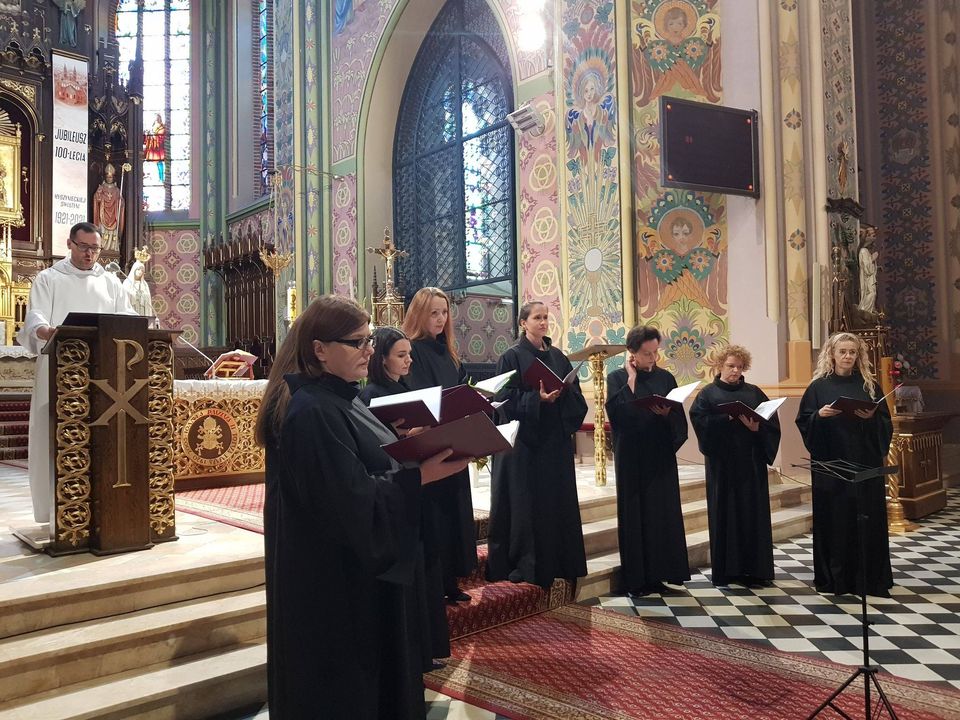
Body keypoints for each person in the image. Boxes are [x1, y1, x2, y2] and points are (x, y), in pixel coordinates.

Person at [254, 295, 468, 719]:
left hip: (355, 583)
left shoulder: (337, 397)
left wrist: (395, 439)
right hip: (336, 592)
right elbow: (348, 502)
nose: (369, 350)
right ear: (320, 349)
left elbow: (360, 461)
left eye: (369, 340)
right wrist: (420, 476)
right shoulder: (311, 410)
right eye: (358, 342)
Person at [17, 222, 134, 524]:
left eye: (95, 248)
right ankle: (56, 510)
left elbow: (128, 317)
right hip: (60, 367)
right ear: (70, 244)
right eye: (83, 247)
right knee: (55, 435)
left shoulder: (110, 282)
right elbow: (36, 316)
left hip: (104, 375)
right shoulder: (49, 278)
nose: (89, 254)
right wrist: (43, 330)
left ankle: (102, 508)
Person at [358, 325, 451, 667]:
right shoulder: (371, 396)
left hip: (414, 484)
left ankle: (426, 649)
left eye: (409, 354)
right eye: (401, 355)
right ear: (381, 359)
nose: (409, 360)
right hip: (396, 489)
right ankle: (414, 653)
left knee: (424, 566)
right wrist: (403, 435)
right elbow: (371, 450)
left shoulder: (405, 388)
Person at [485, 301, 588, 589]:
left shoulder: (559, 356)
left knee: (555, 502)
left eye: (546, 317)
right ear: (523, 323)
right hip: (525, 445)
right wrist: (536, 399)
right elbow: (501, 400)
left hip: (554, 442)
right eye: (537, 318)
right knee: (526, 503)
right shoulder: (511, 357)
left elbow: (575, 395)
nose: (543, 322)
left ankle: (558, 561)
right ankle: (525, 563)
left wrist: (562, 393)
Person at [796, 332, 894, 597]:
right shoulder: (818, 387)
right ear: (832, 354)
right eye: (843, 351)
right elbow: (804, 421)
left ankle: (868, 578)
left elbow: (885, 423)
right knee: (836, 518)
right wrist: (819, 415)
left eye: (852, 352)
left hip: (864, 461)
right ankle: (835, 578)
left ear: (858, 355)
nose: (848, 356)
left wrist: (872, 418)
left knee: (866, 517)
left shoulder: (869, 386)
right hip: (832, 464)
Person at [402, 288, 477, 603]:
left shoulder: (449, 352)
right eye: (433, 313)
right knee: (434, 514)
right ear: (419, 314)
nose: (440, 318)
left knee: (453, 512)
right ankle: (434, 582)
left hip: (453, 436)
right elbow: (418, 394)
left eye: (444, 312)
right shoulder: (413, 351)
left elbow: (462, 386)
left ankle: (450, 580)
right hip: (431, 441)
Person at [605, 325, 690, 595]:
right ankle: (637, 580)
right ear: (632, 352)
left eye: (655, 352)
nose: (652, 358)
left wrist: (667, 414)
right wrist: (631, 381)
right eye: (646, 353)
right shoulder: (617, 378)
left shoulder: (666, 378)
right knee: (635, 514)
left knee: (661, 513)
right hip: (632, 456)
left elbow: (679, 419)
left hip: (660, 455)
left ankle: (661, 573)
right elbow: (617, 416)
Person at [690, 344, 780, 588]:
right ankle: (727, 572)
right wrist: (726, 417)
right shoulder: (708, 394)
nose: (735, 371)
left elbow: (771, 423)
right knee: (725, 514)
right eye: (731, 366)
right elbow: (700, 422)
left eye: (740, 367)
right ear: (719, 366)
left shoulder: (754, 393)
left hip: (751, 464)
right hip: (723, 466)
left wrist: (757, 428)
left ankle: (756, 570)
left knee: (753, 514)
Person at [93, 163, 124, 252]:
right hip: (103, 214)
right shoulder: (101, 188)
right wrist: (98, 195)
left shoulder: (117, 190)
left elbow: (121, 203)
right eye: (107, 177)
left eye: (110, 177)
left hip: (114, 215)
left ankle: (113, 248)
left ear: (113, 178)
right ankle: (102, 247)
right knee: (103, 231)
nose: (109, 179)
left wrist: (120, 201)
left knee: (113, 232)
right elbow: (97, 199)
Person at [857, 224, 879, 314]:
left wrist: (876, 265)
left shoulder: (867, 252)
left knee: (873, 293)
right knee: (871, 293)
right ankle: (865, 310)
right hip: (867, 279)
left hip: (870, 278)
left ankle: (869, 310)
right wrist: (872, 259)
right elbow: (868, 269)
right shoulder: (863, 251)